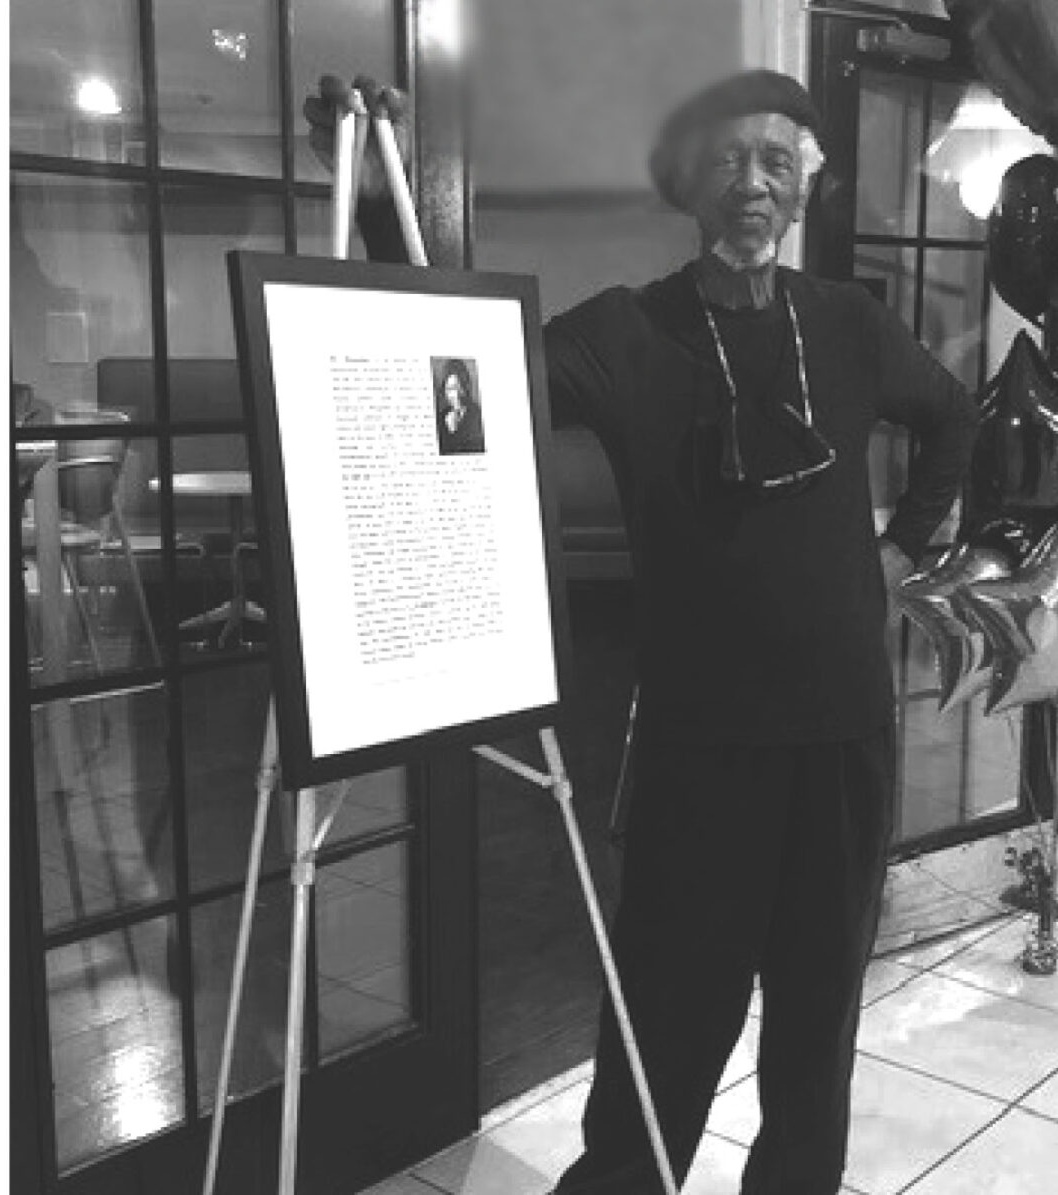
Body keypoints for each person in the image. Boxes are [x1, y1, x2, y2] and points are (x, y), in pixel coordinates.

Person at [323, 71, 979, 1194]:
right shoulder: (622, 332)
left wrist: (903, 548)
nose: (752, 184)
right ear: (687, 184)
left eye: (777, 160)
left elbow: (954, 416)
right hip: (698, 750)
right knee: (666, 1013)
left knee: (819, 1012)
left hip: (843, 741)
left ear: (804, 185)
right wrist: (383, 206)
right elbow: (455, 376)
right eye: (727, 160)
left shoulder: (851, 323)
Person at [435, 357, 484, 454]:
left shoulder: (477, 415)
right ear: (444, 391)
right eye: (450, 389)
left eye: (460, 387)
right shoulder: (440, 418)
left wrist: (455, 432)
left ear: (466, 387)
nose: (456, 395)